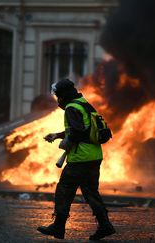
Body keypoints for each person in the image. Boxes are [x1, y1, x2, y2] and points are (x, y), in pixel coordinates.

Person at [37, 78, 116, 240]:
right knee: (91, 193)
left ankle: (58, 227)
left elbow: (78, 131)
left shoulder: (72, 108)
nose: (58, 99)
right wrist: (58, 135)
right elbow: (82, 128)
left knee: (64, 190)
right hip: (94, 156)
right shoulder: (84, 104)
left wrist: (66, 142)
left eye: (58, 95)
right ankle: (105, 226)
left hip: (80, 158)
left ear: (64, 95)